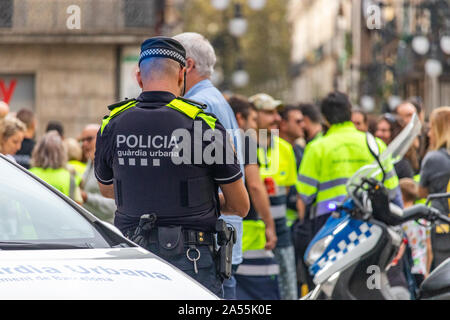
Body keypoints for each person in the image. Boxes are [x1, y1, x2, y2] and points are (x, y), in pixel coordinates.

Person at [94, 36, 249, 298]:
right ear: (181, 75)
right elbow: (241, 206)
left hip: (132, 255)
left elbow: (107, 190)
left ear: (139, 77)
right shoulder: (202, 124)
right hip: (191, 261)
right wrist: (205, 200)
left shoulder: (112, 123)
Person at [172, 32, 245, 299]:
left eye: (170, 63)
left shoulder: (198, 106)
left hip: (208, 243)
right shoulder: (216, 99)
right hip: (222, 236)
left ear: (187, 66)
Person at [296, 92, 401, 237]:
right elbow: (391, 190)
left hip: (329, 224)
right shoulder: (376, 145)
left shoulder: (316, 148)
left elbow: (305, 195)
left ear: (325, 119)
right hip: (371, 224)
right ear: (350, 113)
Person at [228, 94, 280, 300]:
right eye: (252, 120)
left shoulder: (215, 139)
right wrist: (270, 225)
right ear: (240, 119)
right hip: (249, 232)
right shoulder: (245, 140)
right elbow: (256, 187)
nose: (253, 126)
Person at [249, 93, 298, 300]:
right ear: (254, 115)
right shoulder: (244, 146)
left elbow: (286, 191)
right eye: (269, 113)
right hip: (254, 236)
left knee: (287, 290)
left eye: (276, 113)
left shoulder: (285, 149)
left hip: (281, 232)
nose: (276, 118)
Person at [418, 106, 450, 270]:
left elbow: (421, 192)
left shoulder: (434, 158)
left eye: (431, 128)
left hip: (442, 228)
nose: (429, 134)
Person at [29, 130, 82, 203]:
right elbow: (78, 205)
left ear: (37, 151)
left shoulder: (29, 175)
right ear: (62, 153)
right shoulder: (69, 178)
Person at [79, 124, 116, 223]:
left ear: (102, 139)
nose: (84, 144)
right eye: (82, 140)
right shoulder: (91, 163)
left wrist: (86, 197)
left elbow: (114, 206)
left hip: (109, 230)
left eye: (89, 139)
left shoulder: (111, 165)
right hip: (93, 228)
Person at [399, 178, 433, 286]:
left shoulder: (400, 218)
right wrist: (427, 271)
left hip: (407, 267)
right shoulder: (423, 219)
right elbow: (429, 247)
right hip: (421, 267)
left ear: (401, 195)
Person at [279, 105, 305, 227]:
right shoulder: (273, 151)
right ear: (283, 124)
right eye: (298, 121)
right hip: (281, 223)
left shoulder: (300, 150)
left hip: (299, 223)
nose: (303, 125)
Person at [375, 113, 414, 179]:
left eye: (383, 130)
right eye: (377, 130)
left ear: (394, 134)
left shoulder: (402, 164)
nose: (378, 134)